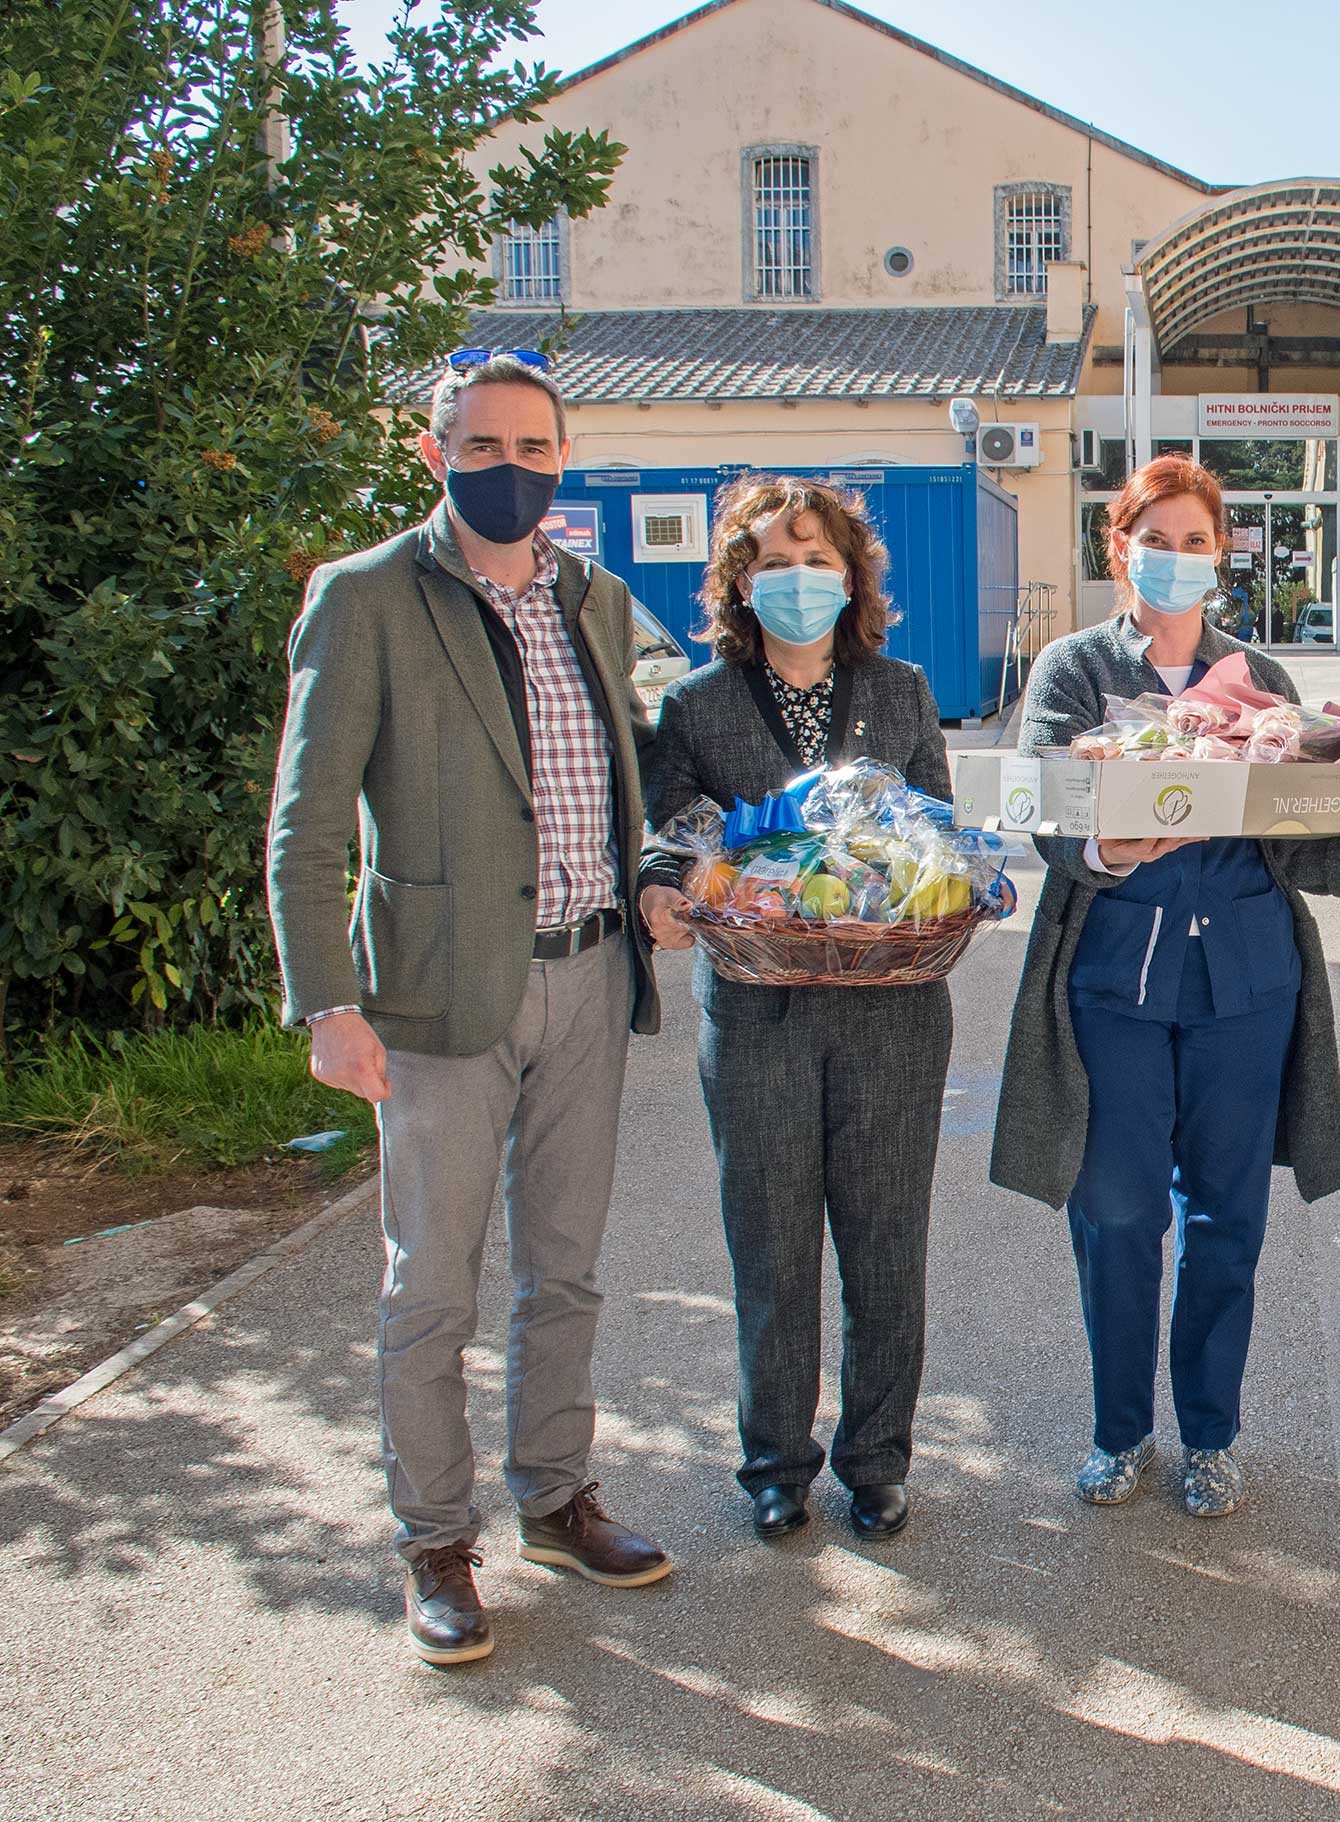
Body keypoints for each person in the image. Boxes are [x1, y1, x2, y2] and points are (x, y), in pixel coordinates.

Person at [990, 455, 1340, 1518]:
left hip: (1245, 978)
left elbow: (1299, 835)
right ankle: (1120, 1429)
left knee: (1227, 1217)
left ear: (1217, 554)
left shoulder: (1262, 679)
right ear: (1116, 546)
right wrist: (1116, 841)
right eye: (1155, 537)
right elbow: (1046, 816)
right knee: (1118, 1214)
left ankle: (1212, 1432)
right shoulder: (1072, 669)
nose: (1174, 558)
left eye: (1193, 540)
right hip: (1114, 981)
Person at [266, 351, 672, 1668]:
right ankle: (436, 1538)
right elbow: (308, 816)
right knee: (429, 1283)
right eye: (484, 446)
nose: (513, 469)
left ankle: (555, 1498)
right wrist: (327, 999)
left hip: (589, 971)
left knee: (568, 1267)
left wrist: (654, 887)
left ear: (565, 459)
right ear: (434, 454)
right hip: (438, 992)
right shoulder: (368, 597)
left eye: (535, 448)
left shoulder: (596, 597)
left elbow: (621, 782)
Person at [636, 476, 952, 1546]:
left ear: (853, 574)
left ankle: (876, 1461)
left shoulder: (903, 691)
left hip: (892, 1010)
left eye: (818, 560)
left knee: (885, 1243)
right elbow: (666, 832)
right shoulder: (696, 703)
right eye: (773, 561)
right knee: (768, 1247)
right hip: (757, 1005)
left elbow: (939, 837)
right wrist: (662, 888)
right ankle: (775, 1463)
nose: (798, 580)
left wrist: (955, 879)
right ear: (737, 581)